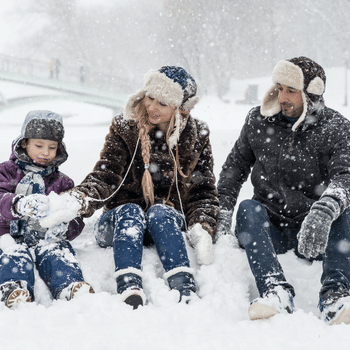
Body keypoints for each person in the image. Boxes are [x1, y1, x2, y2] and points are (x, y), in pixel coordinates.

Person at [43, 66, 219, 309]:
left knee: (161, 212)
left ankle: (183, 285)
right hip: (119, 223)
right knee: (131, 211)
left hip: (164, 225)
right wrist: (78, 199)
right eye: (150, 97)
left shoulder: (197, 134)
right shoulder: (125, 127)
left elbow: (204, 190)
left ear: (180, 109)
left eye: (163, 103)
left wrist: (202, 225)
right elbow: (106, 175)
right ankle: (129, 284)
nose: (152, 107)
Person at [216, 56, 350, 325]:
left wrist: (324, 210)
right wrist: (221, 214)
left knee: (343, 209)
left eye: (291, 90)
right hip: (270, 227)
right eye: (279, 88)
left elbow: (345, 176)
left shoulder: (336, 128)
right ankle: (275, 290)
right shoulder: (257, 120)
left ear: (311, 94)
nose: (282, 96)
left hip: (315, 232)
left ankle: (336, 296)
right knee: (247, 208)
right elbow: (233, 170)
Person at [0, 110, 94, 308]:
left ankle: (69, 285)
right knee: (13, 254)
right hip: (8, 236)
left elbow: (75, 217)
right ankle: (13, 288)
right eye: (39, 145)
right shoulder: (6, 172)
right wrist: (17, 204)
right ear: (24, 143)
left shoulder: (63, 182)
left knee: (58, 252)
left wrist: (65, 227)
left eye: (52, 147)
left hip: (46, 238)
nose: (45, 152)